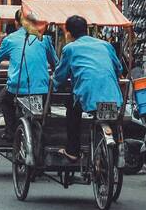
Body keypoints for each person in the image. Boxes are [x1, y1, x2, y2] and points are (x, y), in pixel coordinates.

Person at [52, 15, 123, 161]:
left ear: (69, 33)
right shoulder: (106, 45)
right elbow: (118, 68)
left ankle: (73, 150)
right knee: (111, 121)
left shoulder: (70, 49)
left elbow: (60, 76)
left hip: (87, 96)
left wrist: (56, 87)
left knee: (71, 109)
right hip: (112, 96)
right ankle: (115, 156)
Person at [0, 11, 58, 141]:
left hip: (17, 88)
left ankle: (10, 131)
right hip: (41, 88)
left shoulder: (10, 39)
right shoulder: (44, 39)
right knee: (45, 108)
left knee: (3, 99)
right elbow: (55, 64)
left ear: (16, 23)